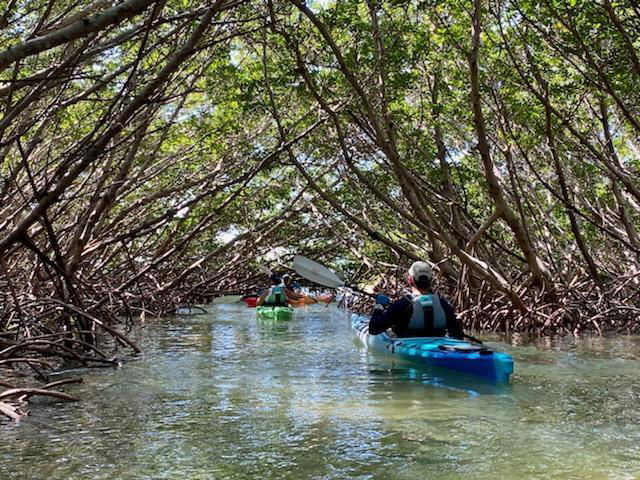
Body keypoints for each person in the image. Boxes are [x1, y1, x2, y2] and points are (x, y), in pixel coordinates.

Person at [368, 261, 464, 339]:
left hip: (408, 346)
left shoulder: (402, 304)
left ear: (410, 280)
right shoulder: (443, 304)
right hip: (439, 347)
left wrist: (379, 306)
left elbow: (373, 329)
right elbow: (457, 335)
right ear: (431, 280)